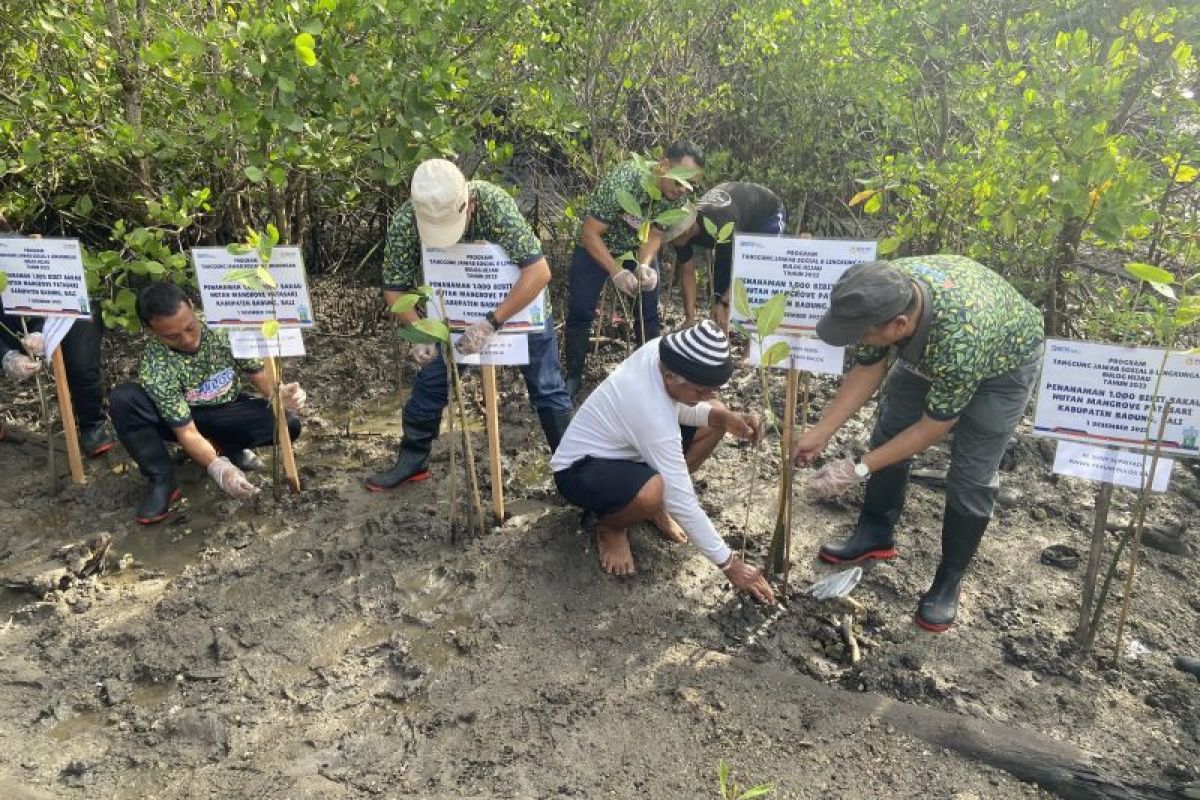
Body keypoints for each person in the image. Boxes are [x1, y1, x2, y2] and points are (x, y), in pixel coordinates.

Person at [791, 256, 1043, 632]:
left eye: (862, 333)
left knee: (972, 474)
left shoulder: (960, 338)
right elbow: (867, 366)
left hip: (1002, 365)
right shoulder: (883, 289)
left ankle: (949, 580)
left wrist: (856, 469)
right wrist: (821, 431)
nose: (857, 339)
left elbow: (932, 428)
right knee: (889, 432)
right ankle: (875, 532)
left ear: (899, 325)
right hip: (932, 350)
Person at [367, 159, 573, 491]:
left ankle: (572, 471)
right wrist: (419, 331)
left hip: (520, 306)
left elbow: (539, 273)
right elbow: (394, 289)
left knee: (547, 388)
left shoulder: (495, 205)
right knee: (432, 379)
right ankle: (412, 459)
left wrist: (491, 323)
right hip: (454, 311)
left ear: (470, 205)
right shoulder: (408, 219)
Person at [552, 320, 776, 604]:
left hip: (630, 450)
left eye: (711, 387)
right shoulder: (647, 407)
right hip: (580, 470)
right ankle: (610, 527)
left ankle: (653, 507)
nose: (707, 395)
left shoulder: (662, 353)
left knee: (717, 412)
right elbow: (683, 499)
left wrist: (724, 418)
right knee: (655, 491)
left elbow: (679, 404)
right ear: (670, 377)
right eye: (701, 390)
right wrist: (730, 565)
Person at [109, 283, 305, 524]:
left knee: (288, 422)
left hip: (226, 409)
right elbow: (186, 430)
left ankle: (227, 446)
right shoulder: (155, 365)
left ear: (192, 308)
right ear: (151, 330)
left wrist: (281, 394)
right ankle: (163, 481)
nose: (187, 339)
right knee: (124, 398)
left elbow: (259, 375)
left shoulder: (224, 329)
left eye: (190, 327)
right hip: (181, 421)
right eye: (172, 336)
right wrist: (218, 469)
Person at [562, 142, 705, 398]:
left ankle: (652, 378)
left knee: (649, 312)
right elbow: (590, 233)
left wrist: (644, 264)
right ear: (662, 166)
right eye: (678, 181)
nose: (682, 189)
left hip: (634, 247)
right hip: (597, 245)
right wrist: (616, 272)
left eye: (689, 183)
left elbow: (657, 233)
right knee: (581, 310)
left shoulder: (679, 195)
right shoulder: (626, 180)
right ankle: (573, 376)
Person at [0, 222, 116, 457]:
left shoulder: (18, 247)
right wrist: (6, 356)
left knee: (81, 365)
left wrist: (40, 330)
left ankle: (92, 425)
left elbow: (55, 294)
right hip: (9, 327)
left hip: (64, 312)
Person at [670, 181, 786, 328]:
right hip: (738, 214)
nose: (671, 240)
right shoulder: (680, 230)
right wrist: (690, 318)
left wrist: (723, 302)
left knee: (759, 270)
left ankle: (753, 343)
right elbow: (687, 271)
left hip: (766, 213)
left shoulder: (720, 224)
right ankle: (721, 337)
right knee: (720, 301)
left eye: (672, 236)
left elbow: (733, 269)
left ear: (686, 230)